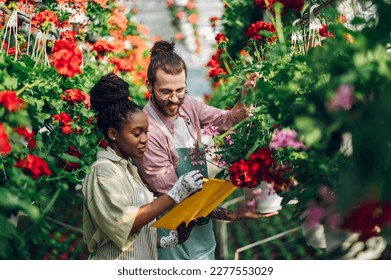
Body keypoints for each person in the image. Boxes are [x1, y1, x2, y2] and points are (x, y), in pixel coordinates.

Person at [133, 40, 277, 260]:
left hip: (202, 230)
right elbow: (174, 198)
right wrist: (235, 214)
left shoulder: (188, 105)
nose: (174, 99)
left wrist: (245, 98)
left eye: (180, 90)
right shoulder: (149, 133)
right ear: (149, 86)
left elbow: (227, 119)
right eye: (166, 92)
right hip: (174, 238)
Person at [82, 72, 204, 260]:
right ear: (113, 134)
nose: (145, 140)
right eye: (137, 133)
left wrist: (166, 241)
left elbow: (136, 232)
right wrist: (175, 193)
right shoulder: (104, 170)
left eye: (146, 132)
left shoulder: (129, 171)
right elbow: (125, 222)